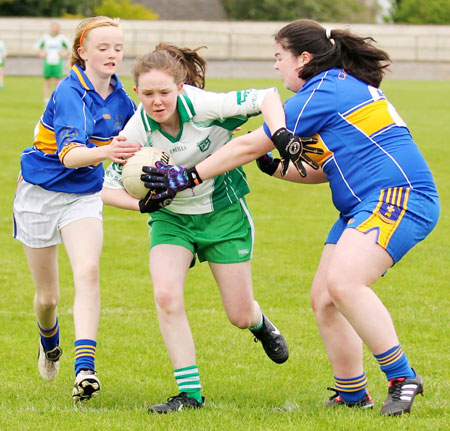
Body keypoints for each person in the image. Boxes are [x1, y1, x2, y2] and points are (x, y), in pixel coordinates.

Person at [143, 20, 440, 417]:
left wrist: (189, 175)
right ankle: (352, 393)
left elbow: (249, 142)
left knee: (344, 283)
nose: (276, 67)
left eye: (278, 58)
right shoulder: (336, 86)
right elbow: (322, 168)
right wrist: (272, 167)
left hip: (399, 195)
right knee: (324, 299)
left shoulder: (326, 88)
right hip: (363, 204)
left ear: (303, 59)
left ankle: (402, 377)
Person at [101, 42, 292, 414]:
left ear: (181, 87)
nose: (157, 101)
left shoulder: (204, 106)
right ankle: (190, 394)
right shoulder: (135, 129)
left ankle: (259, 323)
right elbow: (108, 190)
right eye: (148, 93)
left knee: (238, 314)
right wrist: (143, 204)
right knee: (166, 296)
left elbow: (267, 95)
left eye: (165, 92)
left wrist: (281, 131)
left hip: (222, 214)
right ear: (136, 92)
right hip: (171, 221)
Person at [13, 16, 139, 404]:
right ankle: (49, 342)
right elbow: (70, 156)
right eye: (103, 48)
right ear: (82, 52)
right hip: (39, 194)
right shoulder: (70, 92)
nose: (112, 55)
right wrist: (110, 152)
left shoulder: (121, 97)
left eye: (117, 47)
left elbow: (150, 128)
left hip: (83, 196)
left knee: (87, 271)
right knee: (47, 298)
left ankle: (85, 368)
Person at [35, 22, 70, 104]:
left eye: (56, 28)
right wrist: (41, 53)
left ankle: (56, 98)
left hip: (57, 62)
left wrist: (64, 53)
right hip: (48, 62)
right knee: (47, 82)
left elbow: (69, 47)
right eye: (53, 28)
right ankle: (46, 99)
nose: (55, 29)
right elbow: (37, 48)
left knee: (58, 82)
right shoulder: (45, 38)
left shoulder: (61, 38)